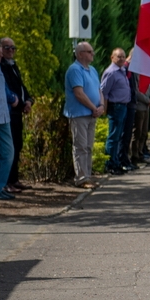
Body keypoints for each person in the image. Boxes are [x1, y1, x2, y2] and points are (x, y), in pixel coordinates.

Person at [64, 42, 104, 189]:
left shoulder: (92, 69)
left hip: (91, 114)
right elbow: (79, 94)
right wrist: (95, 108)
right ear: (80, 54)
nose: (92, 54)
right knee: (80, 146)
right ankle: (81, 178)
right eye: (89, 52)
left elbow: (99, 90)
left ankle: (88, 176)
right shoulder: (75, 70)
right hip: (79, 114)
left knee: (88, 146)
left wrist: (102, 106)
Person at [0, 38, 33, 193]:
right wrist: (19, 103)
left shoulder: (13, 66)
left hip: (16, 111)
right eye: (7, 48)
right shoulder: (2, 67)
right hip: (8, 111)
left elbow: (20, 86)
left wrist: (28, 100)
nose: (11, 51)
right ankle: (5, 183)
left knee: (17, 145)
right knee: (8, 148)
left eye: (13, 48)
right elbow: (7, 91)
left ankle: (13, 179)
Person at [100, 48, 131, 175]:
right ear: (112, 57)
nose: (122, 59)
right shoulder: (111, 72)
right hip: (115, 107)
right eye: (119, 56)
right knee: (113, 137)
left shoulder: (122, 71)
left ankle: (116, 162)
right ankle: (110, 164)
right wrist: (105, 108)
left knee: (118, 137)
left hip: (123, 106)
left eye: (123, 56)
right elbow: (103, 92)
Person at [0, 59, 19, 200]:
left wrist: (13, 97)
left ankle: (0, 186)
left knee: (8, 153)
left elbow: (4, 89)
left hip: (4, 116)